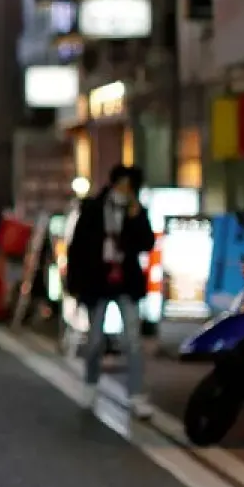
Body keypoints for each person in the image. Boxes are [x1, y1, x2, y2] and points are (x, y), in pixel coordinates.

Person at [65, 163, 156, 418]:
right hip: (97, 281)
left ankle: (137, 394)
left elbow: (147, 243)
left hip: (126, 282)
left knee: (133, 342)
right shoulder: (93, 209)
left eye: (130, 187)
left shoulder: (135, 211)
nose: (124, 191)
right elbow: (77, 249)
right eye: (122, 185)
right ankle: (90, 385)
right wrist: (74, 285)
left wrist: (137, 217)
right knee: (94, 341)